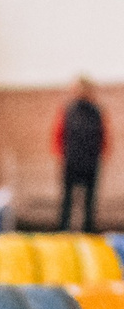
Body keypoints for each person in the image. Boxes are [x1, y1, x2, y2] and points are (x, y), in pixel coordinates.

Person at [55, 75, 109, 233]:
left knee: (89, 202)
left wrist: (101, 155)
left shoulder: (97, 112)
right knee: (67, 200)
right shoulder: (68, 110)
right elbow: (59, 135)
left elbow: (104, 136)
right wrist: (61, 155)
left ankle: (88, 230)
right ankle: (63, 230)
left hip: (91, 162)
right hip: (71, 161)